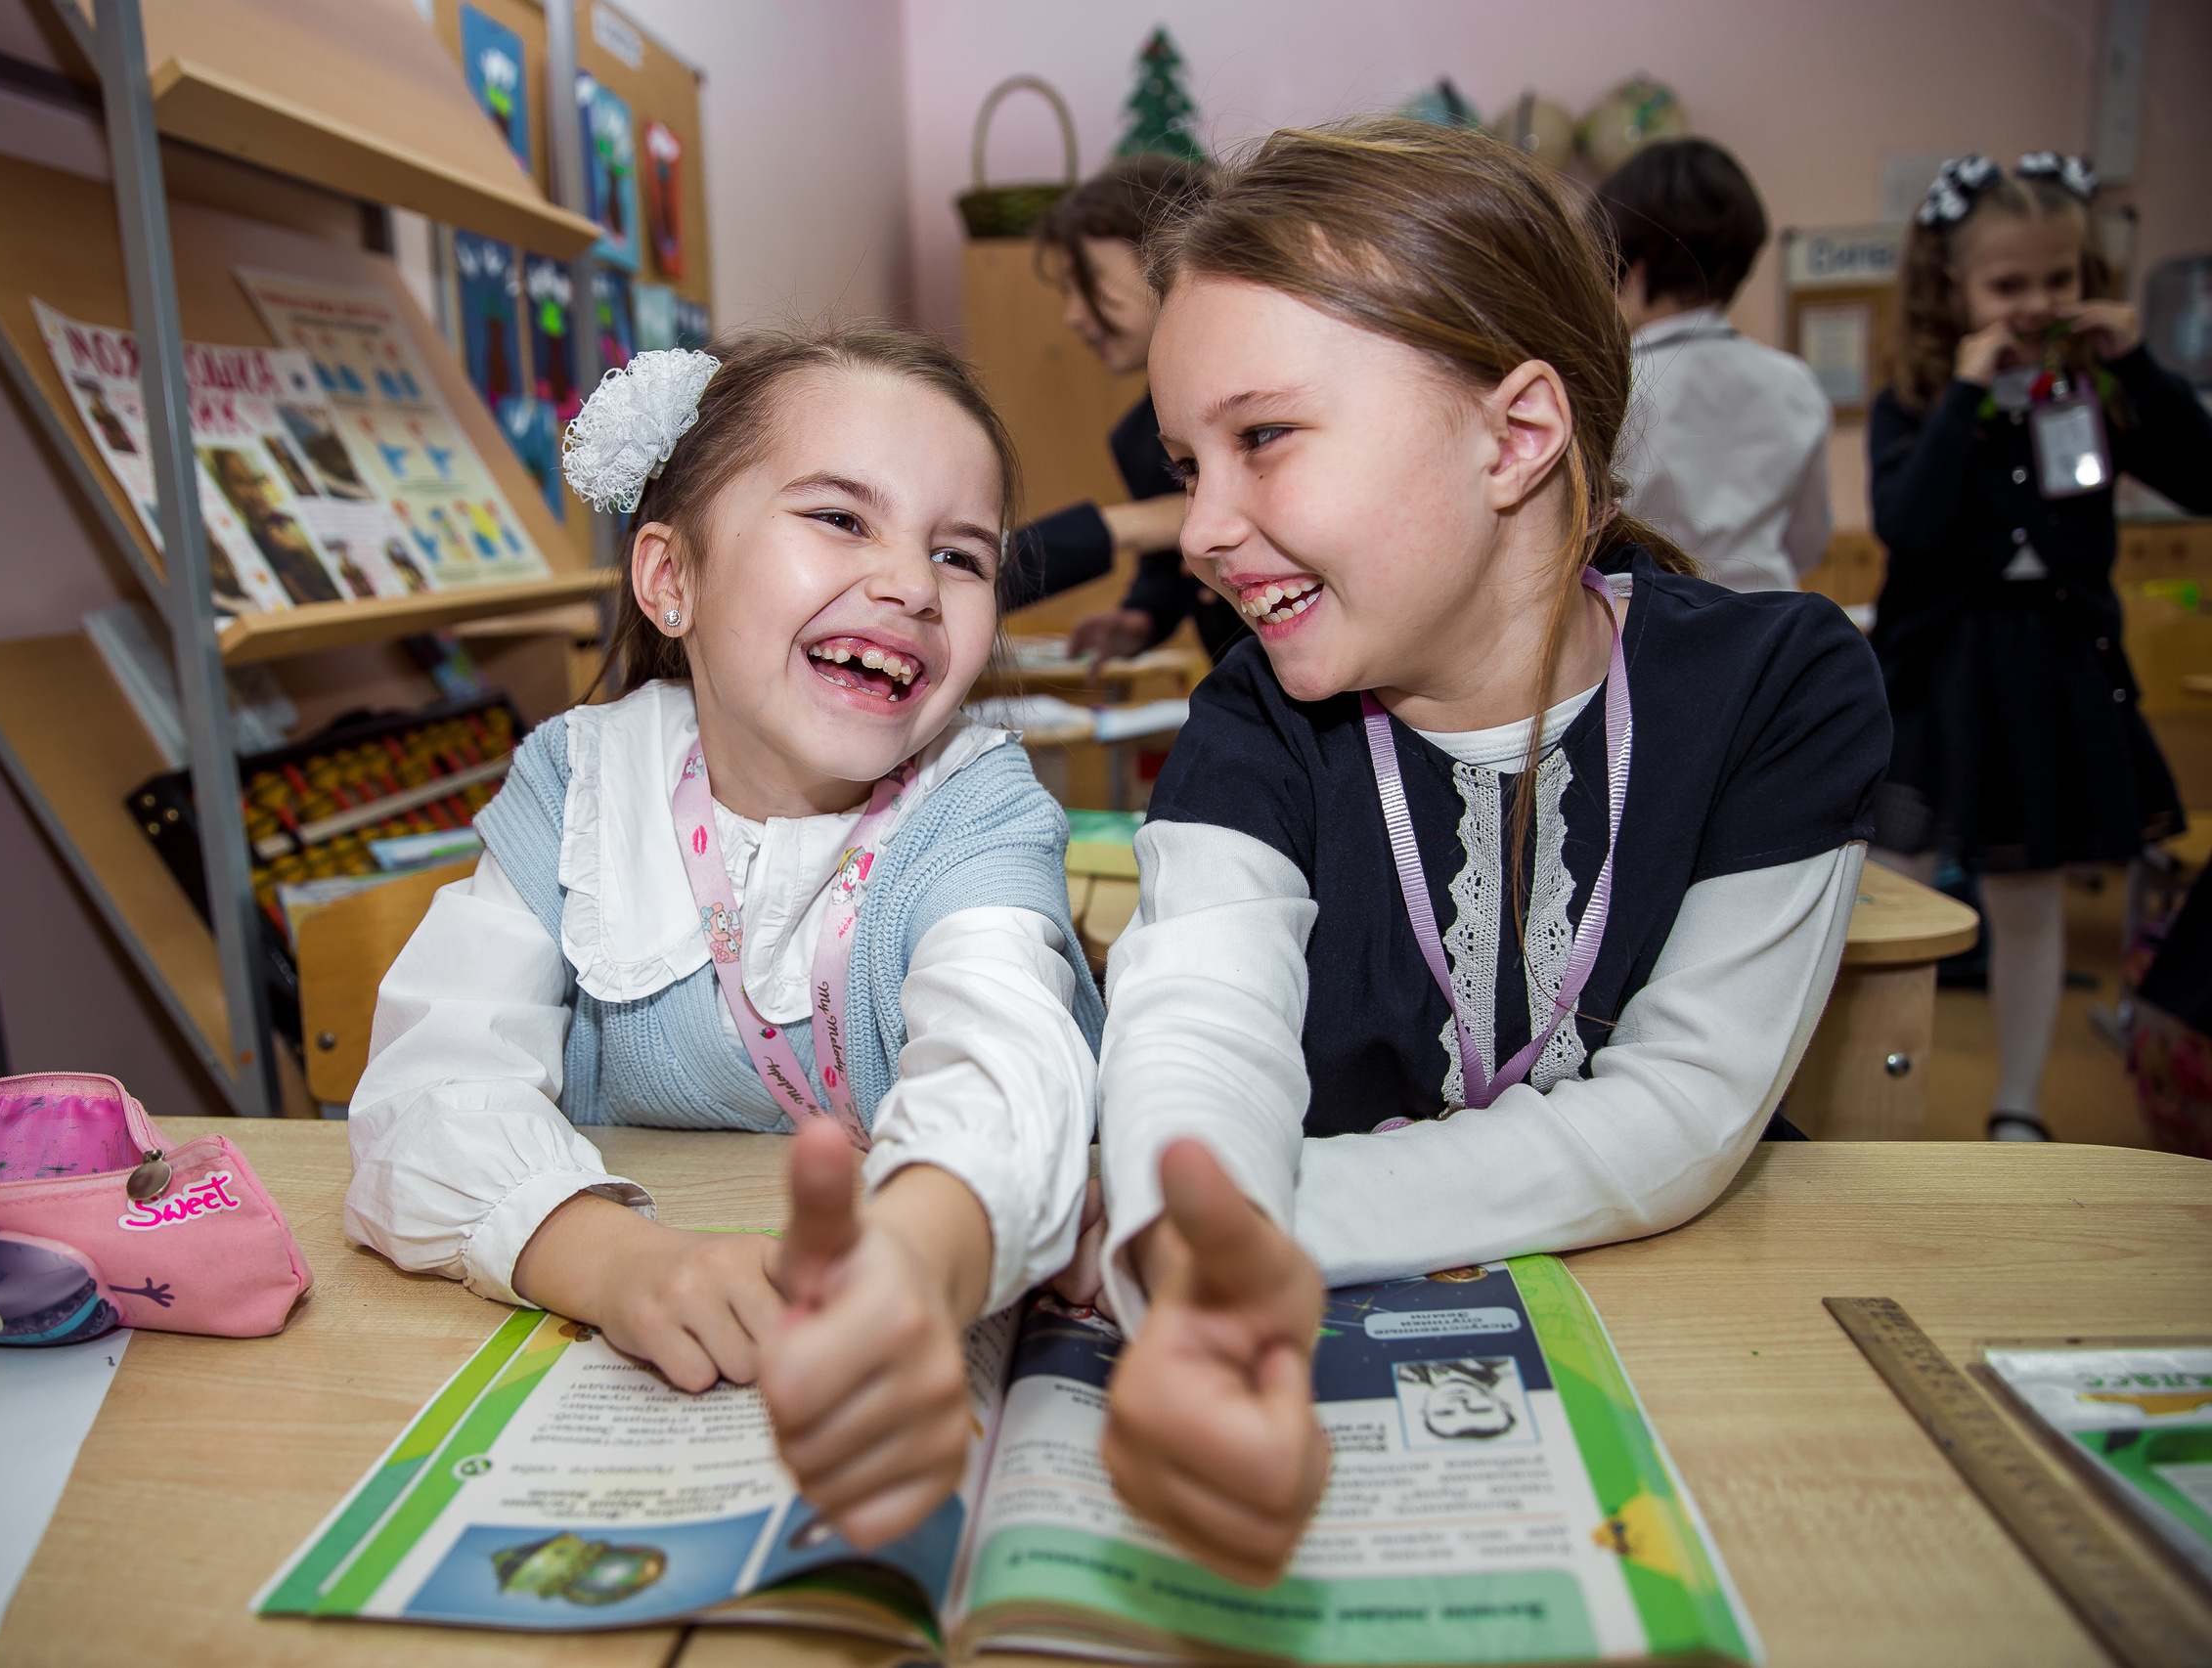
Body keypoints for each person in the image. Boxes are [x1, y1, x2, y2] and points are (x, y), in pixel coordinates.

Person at [1079, 117, 1890, 1585]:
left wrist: (1261, 1221)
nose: (1202, 527)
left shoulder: (1780, 686)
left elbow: (1685, 1114)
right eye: (1191, 460)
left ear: (1516, 433)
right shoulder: (1254, 721)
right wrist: (1189, 1241)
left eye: (1260, 437)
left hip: (1709, 1374)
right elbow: (1194, 1022)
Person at [344, 327, 1106, 1549]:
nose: (912, 580)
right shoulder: (579, 785)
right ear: (670, 578)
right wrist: (611, 1264)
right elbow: (425, 1088)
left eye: (959, 552)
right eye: (843, 519)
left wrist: (915, 1262)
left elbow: (1005, 1065)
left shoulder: (979, 808)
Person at [1869, 152, 2212, 1141]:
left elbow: (2199, 474)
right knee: (1891, 885)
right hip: (1934, 680)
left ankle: (2016, 1101)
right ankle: (1875, 1097)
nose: (2037, 302)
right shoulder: (1918, 396)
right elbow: (1910, 523)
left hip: (2051, 675)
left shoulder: (2099, 388)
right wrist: (1967, 398)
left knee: (2028, 891)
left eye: (2058, 280)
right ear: (1954, 288)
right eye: (2007, 283)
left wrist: (2139, 361)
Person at [1001, 155, 1247, 662]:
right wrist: (1144, 615)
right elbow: (1168, 570)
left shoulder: (1263, 389)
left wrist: (1132, 524)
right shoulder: (1137, 436)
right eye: (1065, 292)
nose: (1072, 315)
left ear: (1172, 249)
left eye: (1089, 280)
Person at [1597, 138, 1832, 593]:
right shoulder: (1794, 382)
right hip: (1770, 628)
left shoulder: (1616, 386)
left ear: (1634, 266)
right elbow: (1807, 544)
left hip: (1652, 628)